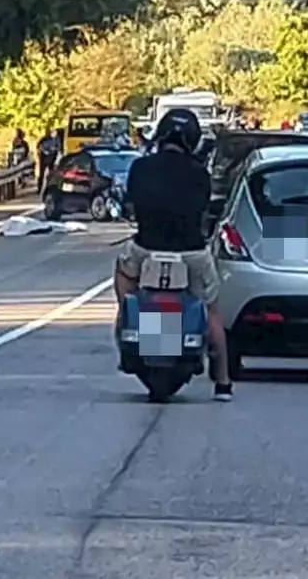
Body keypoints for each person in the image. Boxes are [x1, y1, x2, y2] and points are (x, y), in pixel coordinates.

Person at [114, 107, 233, 402]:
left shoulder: (141, 168)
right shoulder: (199, 174)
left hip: (145, 250)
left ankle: (128, 320)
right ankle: (223, 382)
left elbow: (130, 204)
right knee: (212, 311)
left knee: (123, 276)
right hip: (191, 253)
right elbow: (204, 210)